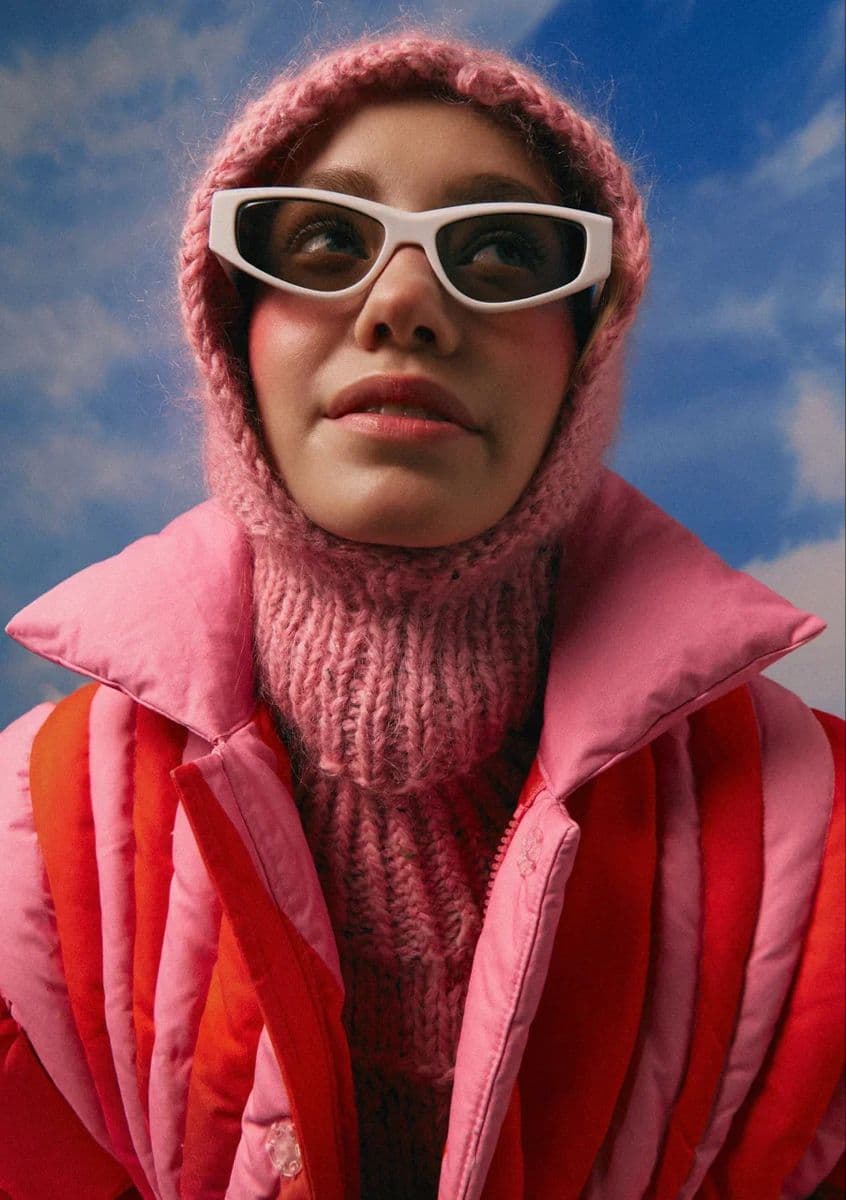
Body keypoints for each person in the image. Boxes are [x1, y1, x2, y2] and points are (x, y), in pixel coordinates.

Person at [0, 31, 843, 1200]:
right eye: (324, 240)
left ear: (590, 346)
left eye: (501, 250)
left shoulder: (826, 838)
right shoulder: (25, 847)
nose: (403, 305)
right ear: (231, 328)